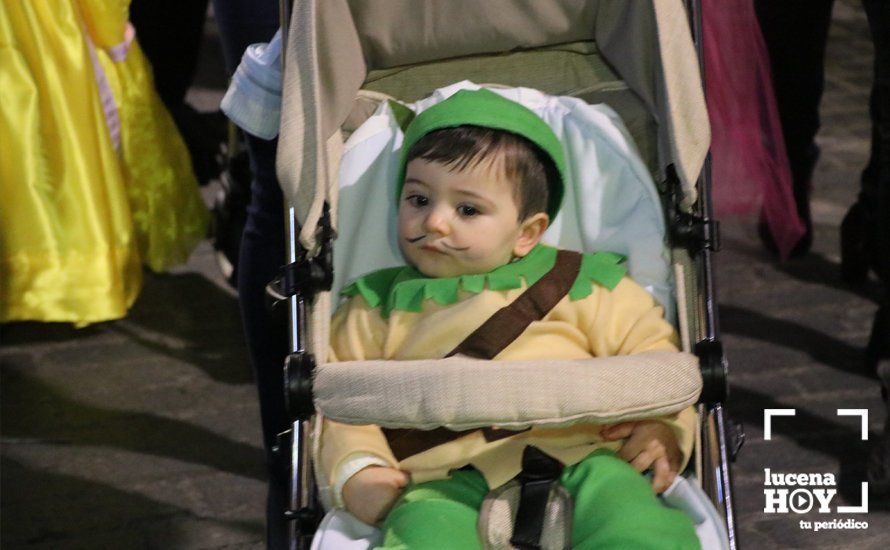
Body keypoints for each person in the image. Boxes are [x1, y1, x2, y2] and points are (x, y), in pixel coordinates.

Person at [319, 89, 700, 549]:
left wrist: (662, 427)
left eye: (467, 209)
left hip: (589, 458)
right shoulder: (376, 305)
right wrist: (359, 469)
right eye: (418, 199)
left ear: (527, 233)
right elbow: (340, 400)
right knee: (420, 536)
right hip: (439, 476)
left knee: (640, 527)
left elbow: (656, 361)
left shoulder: (588, 284)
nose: (435, 222)